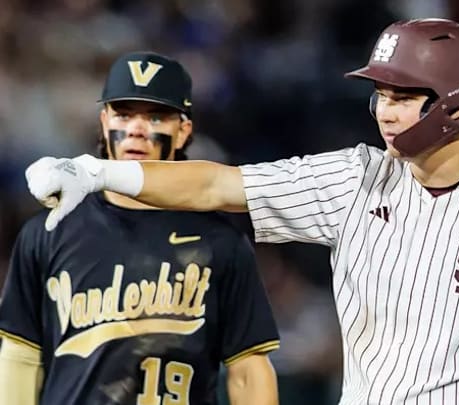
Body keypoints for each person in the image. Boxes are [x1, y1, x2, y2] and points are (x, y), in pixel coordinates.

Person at [25, 19, 459, 404]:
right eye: (381, 92)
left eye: (404, 96)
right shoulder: (355, 178)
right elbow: (216, 186)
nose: (384, 109)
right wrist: (100, 171)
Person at [1, 51, 280, 405]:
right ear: (104, 121)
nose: (136, 128)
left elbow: (248, 369)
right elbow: (21, 354)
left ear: (183, 132)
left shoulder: (220, 241)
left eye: (155, 116)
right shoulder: (50, 231)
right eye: (124, 113)